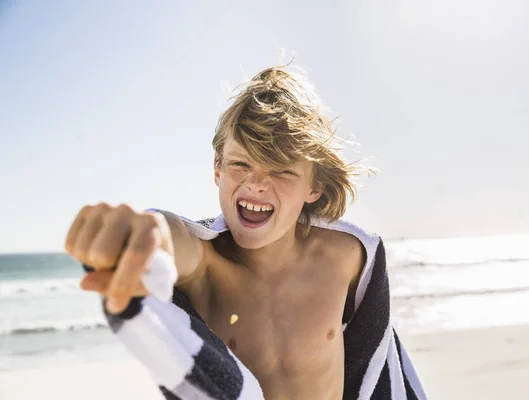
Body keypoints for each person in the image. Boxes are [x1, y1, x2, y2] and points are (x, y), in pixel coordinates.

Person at [65, 66, 424, 399]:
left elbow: (372, 358)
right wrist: (144, 229)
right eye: (240, 164)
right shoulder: (206, 266)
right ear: (217, 169)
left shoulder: (346, 256)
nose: (256, 184)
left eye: (281, 170)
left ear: (314, 187)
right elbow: (174, 237)